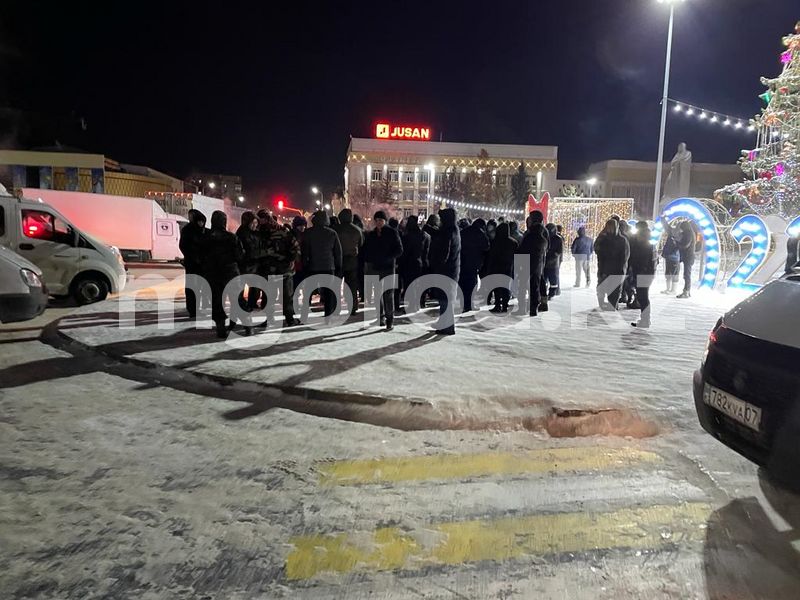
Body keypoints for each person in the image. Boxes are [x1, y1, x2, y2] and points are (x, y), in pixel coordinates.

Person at [202, 210, 243, 338]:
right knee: (236, 298)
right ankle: (242, 324)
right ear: (224, 222)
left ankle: (220, 327)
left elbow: (199, 255)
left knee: (217, 300)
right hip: (230, 272)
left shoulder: (206, 237)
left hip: (212, 273)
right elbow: (240, 255)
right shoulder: (231, 237)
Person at [362, 211, 403, 330]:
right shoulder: (372, 234)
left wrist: (388, 258)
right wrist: (369, 260)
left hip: (389, 268)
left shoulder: (392, 232)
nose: (379, 222)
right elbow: (367, 250)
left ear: (385, 221)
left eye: (381, 220)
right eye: (377, 220)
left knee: (388, 295)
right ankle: (380, 317)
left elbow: (399, 250)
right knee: (378, 295)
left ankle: (390, 319)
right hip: (376, 268)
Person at [261, 213, 302, 327]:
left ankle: (273, 319)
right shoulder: (282, 231)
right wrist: (291, 259)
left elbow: (295, 247)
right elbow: (296, 248)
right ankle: (288, 319)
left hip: (275, 269)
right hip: (281, 269)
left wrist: (290, 259)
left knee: (274, 296)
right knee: (285, 296)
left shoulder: (265, 233)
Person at [301, 210, 343, 318]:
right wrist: (338, 266)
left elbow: (304, 251)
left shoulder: (308, 233)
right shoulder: (332, 233)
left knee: (308, 291)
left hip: (312, 266)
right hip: (328, 266)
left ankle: (304, 314)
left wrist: (304, 264)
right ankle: (328, 314)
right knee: (329, 292)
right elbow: (337, 252)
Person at [429, 208, 460, 335]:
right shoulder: (453, 229)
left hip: (446, 271)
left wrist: (437, 265)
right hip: (451, 270)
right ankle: (445, 323)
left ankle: (447, 326)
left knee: (445, 300)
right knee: (446, 299)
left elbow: (444, 252)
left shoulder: (448, 232)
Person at [516, 210, 549, 316]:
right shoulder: (544, 233)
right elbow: (548, 247)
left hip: (526, 261)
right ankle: (533, 308)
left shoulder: (529, 233)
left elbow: (522, 249)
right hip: (539, 262)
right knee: (535, 285)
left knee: (523, 285)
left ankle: (522, 308)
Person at [236, 211, 264, 334]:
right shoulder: (241, 234)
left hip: (255, 267)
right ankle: (245, 320)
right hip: (244, 268)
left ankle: (249, 313)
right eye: (253, 223)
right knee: (239, 296)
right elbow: (242, 252)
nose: (255, 225)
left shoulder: (256, 234)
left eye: (256, 222)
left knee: (254, 293)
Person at [593, 218, 630, 310]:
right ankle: (604, 304)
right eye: (608, 227)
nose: (609, 229)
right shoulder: (604, 239)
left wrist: (621, 270)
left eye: (611, 227)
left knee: (614, 291)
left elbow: (624, 257)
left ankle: (612, 306)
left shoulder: (622, 240)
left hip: (616, 270)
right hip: (604, 268)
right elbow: (597, 249)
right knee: (601, 289)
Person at [334, 208, 364, 315]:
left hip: (338, 260)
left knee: (336, 285)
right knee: (351, 285)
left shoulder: (335, 229)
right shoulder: (357, 230)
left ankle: (335, 308)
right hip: (352, 260)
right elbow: (361, 244)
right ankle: (353, 307)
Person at [629, 221, 658, 328]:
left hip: (644, 275)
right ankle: (645, 319)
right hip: (645, 274)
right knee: (642, 296)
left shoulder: (645, 247)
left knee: (643, 297)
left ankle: (645, 320)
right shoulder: (649, 246)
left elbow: (643, 262)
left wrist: (640, 271)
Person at [179, 209, 207, 318]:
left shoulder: (205, 231)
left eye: (202, 222)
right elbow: (183, 246)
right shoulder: (188, 230)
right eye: (199, 221)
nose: (201, 224)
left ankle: (197, 308)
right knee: (192, 288)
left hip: (202, 264)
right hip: (192, 263)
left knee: (199, 287)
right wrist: (192, 256)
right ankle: (192, 310)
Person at [399, 215, 430, 308]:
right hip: (420, 263)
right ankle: (418, 303)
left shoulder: (405, 237)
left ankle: (411, 304)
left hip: (408, 264)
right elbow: (426, 251)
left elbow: (403, 252)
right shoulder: (424, 235)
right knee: (418, 284)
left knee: (409, 285)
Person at [458, 218, 490, 312]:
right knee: (472, 285)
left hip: (462, 261)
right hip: (474, 263)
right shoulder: (480, 233)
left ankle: (463, 304)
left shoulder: (464, 232)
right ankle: (469, 305)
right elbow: (486, 246)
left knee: (463, 284)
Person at [487, 222, 518, 313]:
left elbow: (491, 255)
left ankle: (497, 305)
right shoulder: (513, 242)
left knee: (497, 287)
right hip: (508, 267)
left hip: (496, 267)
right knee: (506, 287)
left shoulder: (495, 241)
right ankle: (505, 305)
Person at [677, 220, 696, 299]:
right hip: (689, 256)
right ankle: (687, 291)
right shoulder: (690, 233)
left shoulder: (688, 233)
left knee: (687, 275)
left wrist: (677, 243)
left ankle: (686, 292)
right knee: (687, 274)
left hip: (688, 256)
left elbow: (685, 245)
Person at [544, 223, 563, 299]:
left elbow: (559, 251)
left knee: (553, 279)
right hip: (546, 262)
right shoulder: (545, 237)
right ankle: (545, 292)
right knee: (545, 279)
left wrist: (554, 256)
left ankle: (552, 292)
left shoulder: (558, 239)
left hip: (553, 263)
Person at [660, 226, 681, 294]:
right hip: (670, 257)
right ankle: (669, 289)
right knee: (669, 273)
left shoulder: (678, 237)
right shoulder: (673, 236)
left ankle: (673, 290)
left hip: (674, 257)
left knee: (673, 274)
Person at [290, 215, 307, 292]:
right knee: (296, 283)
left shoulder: (305, 234)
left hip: (300, 263)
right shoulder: (293, 235)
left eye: (303, 226)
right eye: (300, 226)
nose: (302, 227)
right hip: (296, 263)